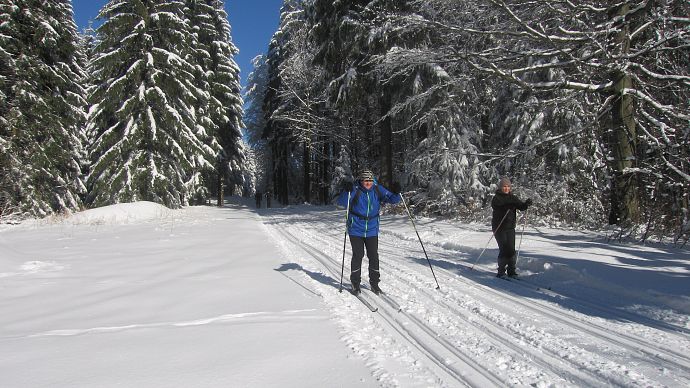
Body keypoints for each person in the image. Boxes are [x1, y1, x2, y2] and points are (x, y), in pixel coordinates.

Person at [337, 170, 401, 295]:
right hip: (356, 228)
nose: (368, 183)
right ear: (361, 181)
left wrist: (396, 192)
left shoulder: (377, 189)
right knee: (358, 255)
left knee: (373, 256)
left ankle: (375, 284)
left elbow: (393, 200)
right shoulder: (355, 189)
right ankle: (355, 283)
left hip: (372, 229)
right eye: (365, 180)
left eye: (370, 180)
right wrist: (346, 190)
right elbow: (343, 202)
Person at [491, 177, 532, 278]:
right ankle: (501, 271)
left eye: (508, 186)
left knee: (511, 249)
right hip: (499, 227)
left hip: (510, 227)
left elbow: (521, 206)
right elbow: (497, 207)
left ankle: (511, 271)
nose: (506, 188)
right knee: (504, 249)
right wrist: (507, 206)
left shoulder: (512, 197)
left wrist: (526, 204)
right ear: (501, 187)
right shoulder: (496, 198)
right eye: (504, 186)